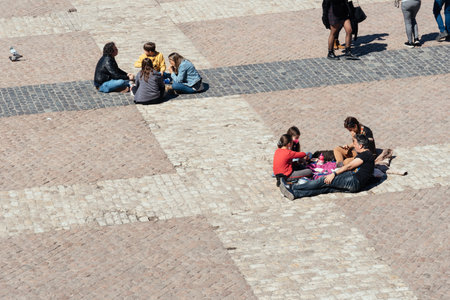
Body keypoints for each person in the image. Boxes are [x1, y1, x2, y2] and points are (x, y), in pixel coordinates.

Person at [280, 134, 375, 200]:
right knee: (325, 189)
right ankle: (295, 194)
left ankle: (292, 187)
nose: (353, 145)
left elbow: (349, 166)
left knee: (324, 180)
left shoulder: (365, 155)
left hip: (353, 180)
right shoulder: (368, 155)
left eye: (354, 143)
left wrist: (333, 174)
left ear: (361, 145)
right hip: (356, 185)